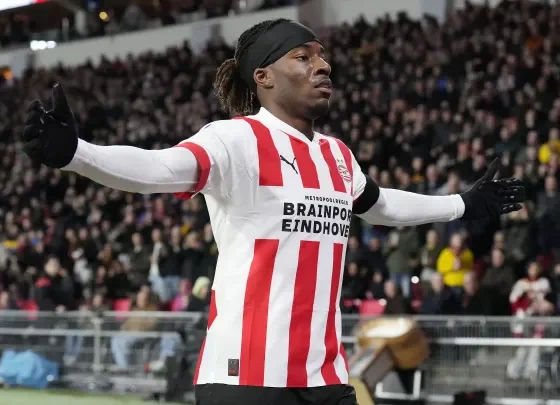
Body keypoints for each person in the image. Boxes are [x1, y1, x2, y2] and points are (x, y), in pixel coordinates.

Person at [22, 18, 525, 405]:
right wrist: (76, 154)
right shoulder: (234, 139)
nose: (322, 66)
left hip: (325, 376)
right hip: (246, 377)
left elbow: (381, 205)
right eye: (303, 57)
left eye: (322, 57)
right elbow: (159, 168)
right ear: (263, 77)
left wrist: (462, 204)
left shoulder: (337, 155)